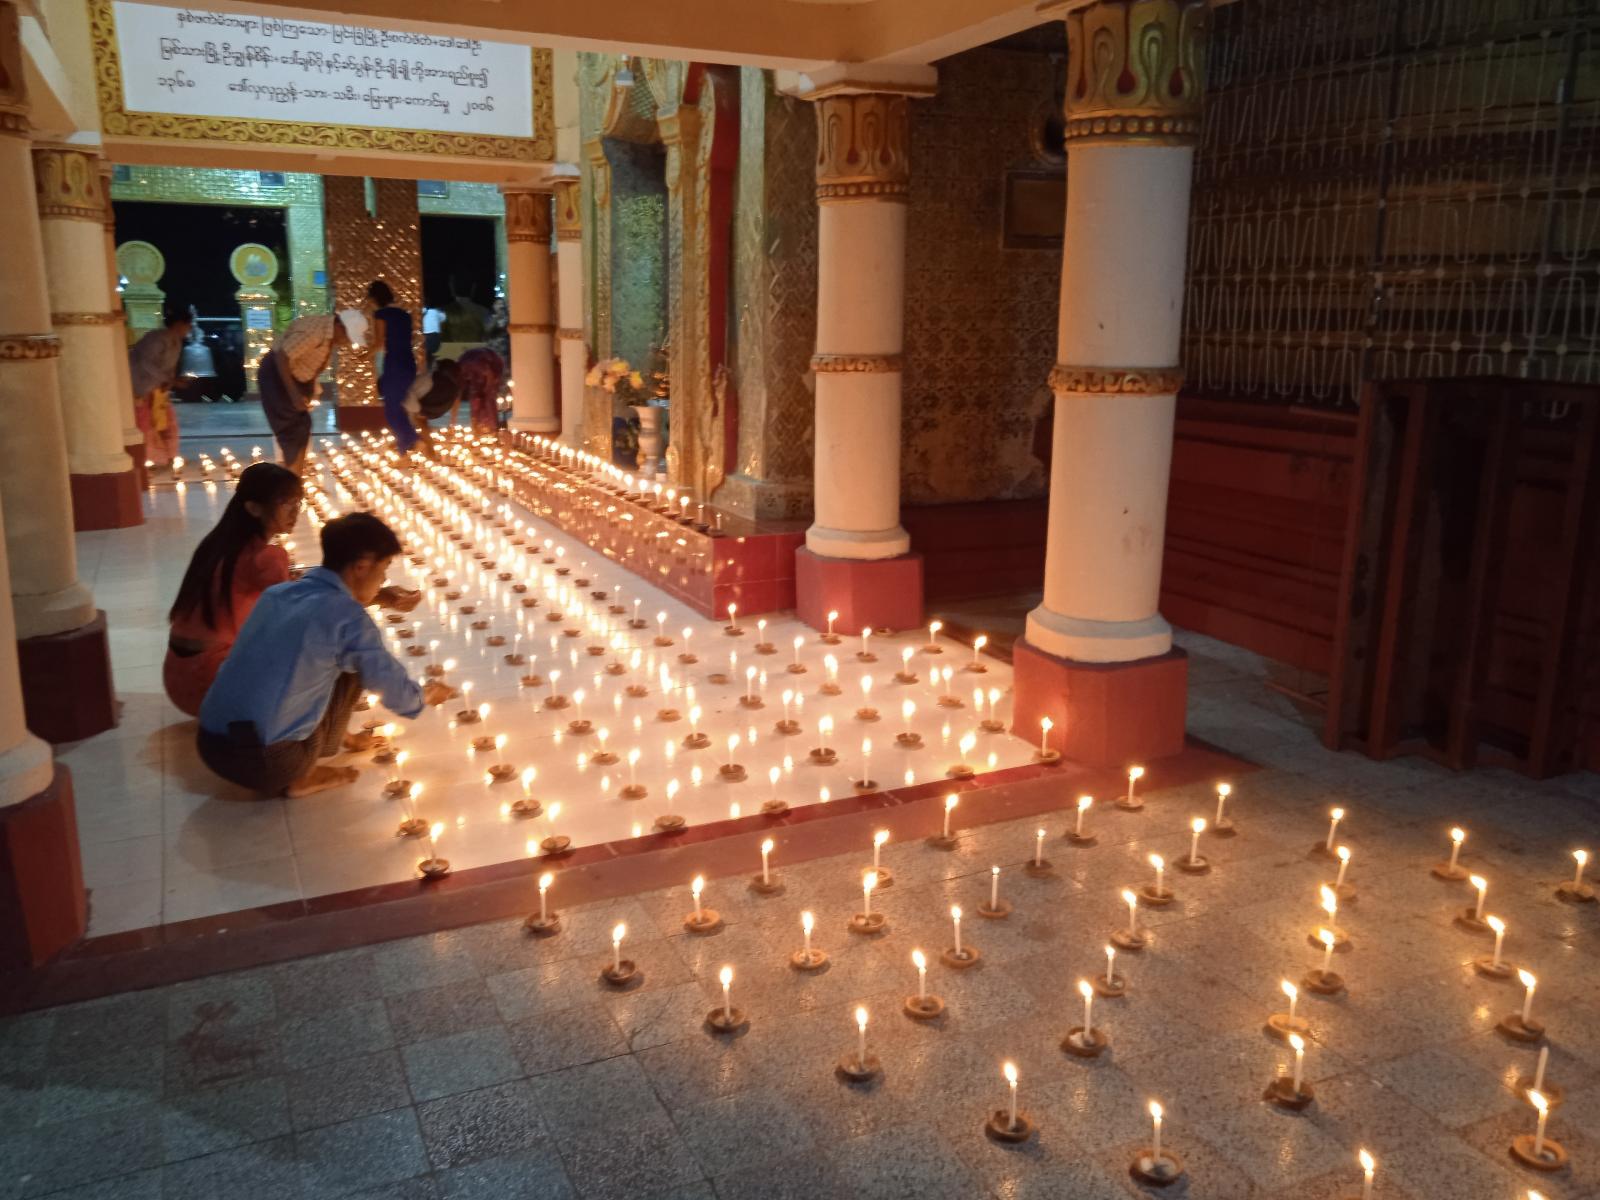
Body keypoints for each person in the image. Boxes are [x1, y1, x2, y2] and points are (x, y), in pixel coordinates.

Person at [197, 512, 452, 798]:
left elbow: (322, 618)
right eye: (383, 570)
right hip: (268, 764)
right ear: (361, 566)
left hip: (209, 745)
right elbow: (394, 691)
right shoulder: (350, 620)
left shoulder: (278, 594)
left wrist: (378, 598)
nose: (383, 580)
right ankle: (301, 775)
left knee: (324, 662)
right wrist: (425, 695)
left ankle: (344, 740)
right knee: (355, 668)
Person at [164, 463, 303, 718]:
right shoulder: (268, 557)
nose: (295, 511)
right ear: (253, 508)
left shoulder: (215, 544)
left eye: (297, 502)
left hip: (177, 680)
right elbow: (296, 616)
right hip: (212, 686)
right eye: (285, 503)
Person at [259, 309, 367, 475]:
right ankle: (291, 479)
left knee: (303, 426)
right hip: (277, 376)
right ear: (340, 326)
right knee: (291, 430)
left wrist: (310, 388)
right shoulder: (315, 332)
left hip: (296, 378)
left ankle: (295, 476)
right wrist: (294, 394)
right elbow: (282, 357)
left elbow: (312, 364)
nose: (346, 342)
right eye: (347, 337)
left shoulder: (328, 336)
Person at [128, 299, 193, 471]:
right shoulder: (156, 338)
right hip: (142, 387)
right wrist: (169, 380)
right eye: (188, 325)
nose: (189, 329)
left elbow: (169, 367)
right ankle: (150, 459)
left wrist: (172, 381)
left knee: (165, 423)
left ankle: (167, 457)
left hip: (159, 389)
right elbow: (145, 363)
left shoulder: (176, 341)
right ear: (179, 324)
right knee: (146, 424)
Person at [368, 281, 419, 453]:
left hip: (394, 364)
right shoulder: (405, 315)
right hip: (408, 363)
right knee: (396, 408)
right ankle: (404, 449)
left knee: (392, 411)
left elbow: (379, 343)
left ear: (375, 298)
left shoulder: (381, 314)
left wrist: (363, 356)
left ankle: (414, 441)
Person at [457, 346, 506, 433]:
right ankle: (477, 429)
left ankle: (492, 429)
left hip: (491, 367)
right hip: (479, 369)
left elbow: (490, 380)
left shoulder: (485, 367)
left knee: (489, 400)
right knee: (476, 401)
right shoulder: (464, 372)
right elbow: (459, 394)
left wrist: (488, 388)